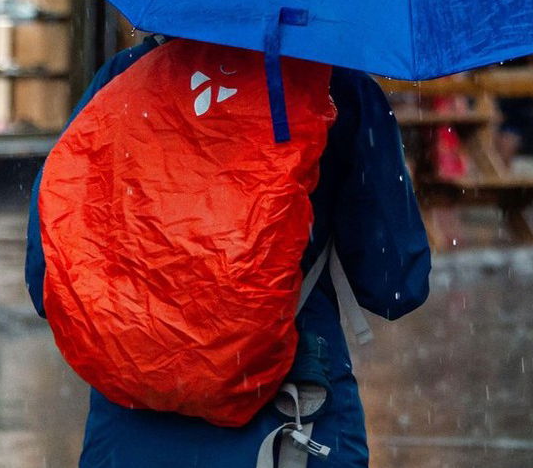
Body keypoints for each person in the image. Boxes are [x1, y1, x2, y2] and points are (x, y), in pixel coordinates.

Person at [26, 36, 432, 467]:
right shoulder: (339, 88)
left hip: (129, 428)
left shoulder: (124, 77)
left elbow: (45, 275)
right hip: (287, 421)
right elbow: (395, 284)